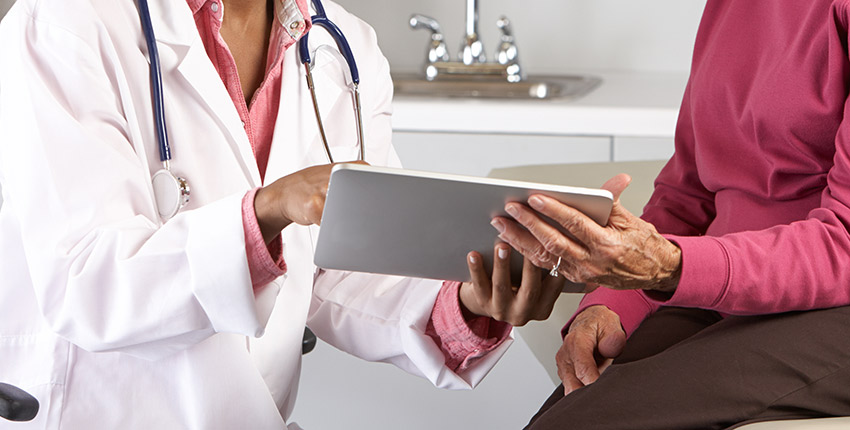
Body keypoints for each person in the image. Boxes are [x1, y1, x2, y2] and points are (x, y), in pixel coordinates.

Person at [0, 0, 565, 428]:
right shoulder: (64, 23)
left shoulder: (344, 49)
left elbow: (344, 268)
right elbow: (89, 283)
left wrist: (467, 303)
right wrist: (267, 212)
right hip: (93, 412)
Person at [492, 1, 850, 429]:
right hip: (736, 293)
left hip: (835, 306)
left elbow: (844, 241)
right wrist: (611, 301)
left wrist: (670, 266)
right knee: (562, 416)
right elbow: (689, 189)